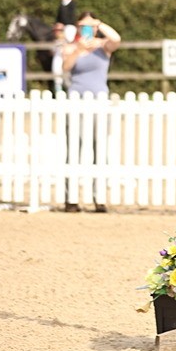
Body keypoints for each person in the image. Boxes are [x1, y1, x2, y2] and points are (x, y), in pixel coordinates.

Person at [61, 11, 120, 212]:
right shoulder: (70, 47)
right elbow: (65, 67)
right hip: (75, 100)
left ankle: (99, 197)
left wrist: (99, 24)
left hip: (99, 101)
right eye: (83, 25)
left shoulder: (103, 46)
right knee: (73, 149)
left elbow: (116, 39)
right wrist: (78, 49)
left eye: (90, 25)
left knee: (99, 150)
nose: (87, 28)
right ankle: (70, 198)